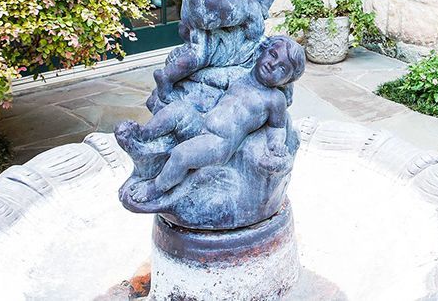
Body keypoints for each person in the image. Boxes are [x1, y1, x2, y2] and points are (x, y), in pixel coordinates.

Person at [126, 35, 306, 203]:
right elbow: (212, 81)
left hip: (219, 143)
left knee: (181, 155)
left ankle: (156, 187)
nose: (273, 64)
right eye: (272, 55)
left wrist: (276, 143)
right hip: (202, 123)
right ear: (261, 51)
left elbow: (277, 127)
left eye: (282, 68)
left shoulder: (275, 99)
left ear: (287, 80)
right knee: (177, 108)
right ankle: (145, 134)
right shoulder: (242, 75)